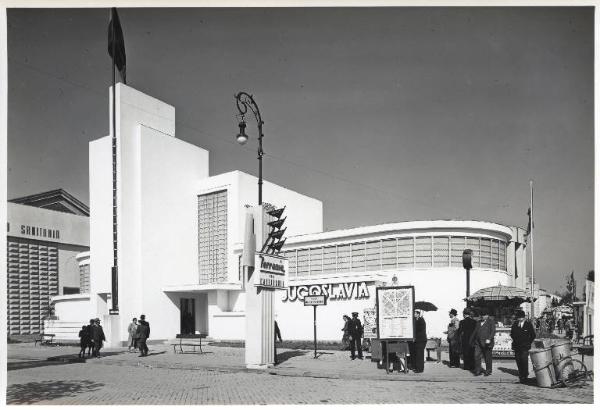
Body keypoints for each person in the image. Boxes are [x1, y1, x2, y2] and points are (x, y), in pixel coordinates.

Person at [510, 309, 536, 384]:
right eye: (518, 318)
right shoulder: (515, 324)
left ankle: (525, 374)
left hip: (525, 346)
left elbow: (533, 335)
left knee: (524, 360)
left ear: (524, 317)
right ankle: (521, 373)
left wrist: (528, 342)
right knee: (518, 360)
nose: (520, 319)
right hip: (517, 346)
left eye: (521, 317)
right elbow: (512, 333)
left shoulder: (528, 324)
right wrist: (515, 339)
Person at [470, 309, 496, 376]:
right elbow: (475, 332)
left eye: (484, 315)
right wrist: (471, 340)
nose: (482, 317)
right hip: (478, 342)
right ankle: (478, 370)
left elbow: (493, 331)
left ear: (487, 315)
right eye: (482, 315)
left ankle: (488, 370)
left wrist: (489, 339)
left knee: (487, 357)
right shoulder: (478, 322)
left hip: (487, 342)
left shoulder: (491, 322)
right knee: (476, 356)